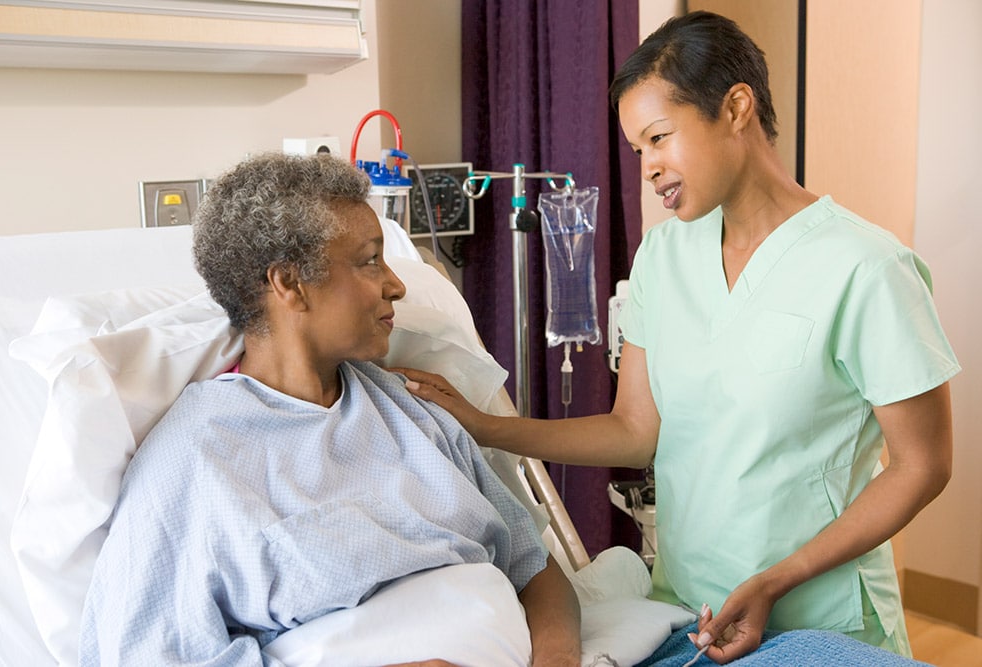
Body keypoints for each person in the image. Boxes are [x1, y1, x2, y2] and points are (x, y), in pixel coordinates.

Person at [399, 10, 959, 666]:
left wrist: (779, 577)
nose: (649, 168)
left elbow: (923, 465)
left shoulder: (866, 268)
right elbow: (635, 429)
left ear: (737, 108)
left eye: (660, 138)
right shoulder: (663, 256)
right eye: (639, 150)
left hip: (817, 614)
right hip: (688, 614)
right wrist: (488, 427)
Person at [78, 152, 581, 666]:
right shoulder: (192, 462)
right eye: (369, 260)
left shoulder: (410, 409)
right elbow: (141, 652)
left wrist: (558, 659)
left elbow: (535, 567)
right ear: (290, 284)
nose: (397, 285)